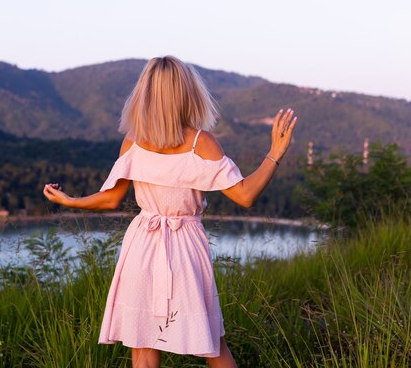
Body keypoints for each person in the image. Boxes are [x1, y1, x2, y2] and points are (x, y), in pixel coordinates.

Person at [43, 56, 297, 368]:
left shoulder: (133, 141)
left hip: (141, 244)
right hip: (185, 246)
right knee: (212, 344)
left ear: (145, 93)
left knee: (143, 345)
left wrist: (70, 201)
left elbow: (110, 200)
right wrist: (274, 153)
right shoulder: (200, 143)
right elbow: (245, 196)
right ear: (185, 92)